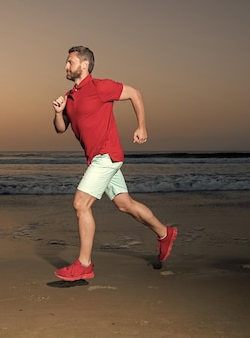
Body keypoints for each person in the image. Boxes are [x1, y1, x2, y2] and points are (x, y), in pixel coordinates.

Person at [51, 46, 178, 281]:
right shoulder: (69, 97)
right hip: (97, 159)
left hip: (106, 155)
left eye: (70, 62)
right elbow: (60, 129)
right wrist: (59, 113)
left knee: (81, 204)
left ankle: (84, 264)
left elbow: (135, 93)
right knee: (125, 204)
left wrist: (141, 126)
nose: (66, 66)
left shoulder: (100, 87)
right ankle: (164, 233)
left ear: (84, 64)